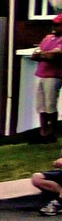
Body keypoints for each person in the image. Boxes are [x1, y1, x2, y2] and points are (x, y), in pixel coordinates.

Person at [30, 14, 62, 143]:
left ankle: (52, 133)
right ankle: (42, 132)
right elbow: (35, 54)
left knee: (50, 105)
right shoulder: (48, 38)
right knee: (41, 106)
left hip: (54, 75)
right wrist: (44, 55)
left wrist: (42, 54)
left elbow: (55, 55)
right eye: (53, 24)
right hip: (41, 74)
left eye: (57, 25)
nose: (54, 27)